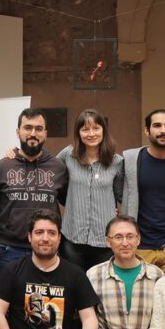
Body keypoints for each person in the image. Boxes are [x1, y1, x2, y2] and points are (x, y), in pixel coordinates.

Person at [0, 108, 68, 329]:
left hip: (47, 251)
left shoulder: (59, 168)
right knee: (7, 311)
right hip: (8, 248)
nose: (32, 133)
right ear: (18, 131)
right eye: (27, 128)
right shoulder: (1, 166)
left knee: (46, 310)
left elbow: (70, 202)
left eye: (38, 128)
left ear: (46, 133)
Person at [120, 109, 165, 264]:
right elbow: (112, 188)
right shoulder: (131, 160)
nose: (163, 131)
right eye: (157, 125)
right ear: (147, 130)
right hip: (138, 246)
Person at [56, 108, 124, 271]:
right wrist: (17, 153)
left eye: (96, 128)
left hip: (105, 241)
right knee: (74, 289)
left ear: (103, 131)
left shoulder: (117, 161)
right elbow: (47, 168)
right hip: (72, 239)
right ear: (78, 133)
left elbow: (122, 195)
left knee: (100, 292)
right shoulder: (68, 155)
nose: (91, 133)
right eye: (85, 129)